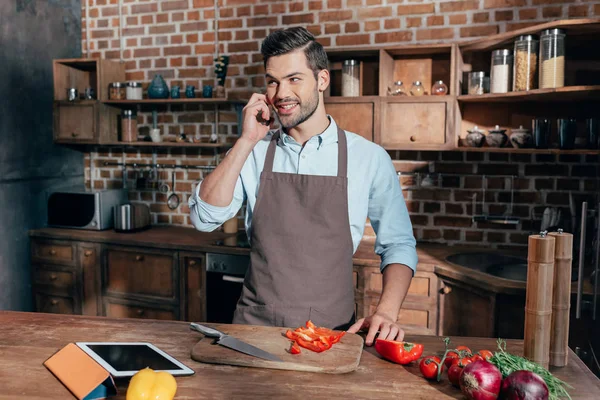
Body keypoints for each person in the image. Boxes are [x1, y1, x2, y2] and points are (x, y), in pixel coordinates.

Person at [189, 27, 417, 346]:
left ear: (322, 80)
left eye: (294, 79)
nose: (281, 93)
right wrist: (245, 141)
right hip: (253, 332)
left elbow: (398, 244)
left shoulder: (368, 157)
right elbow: (204, 219)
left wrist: (387, 312)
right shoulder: (253, 152)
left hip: (331, 334)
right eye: (273, 81)